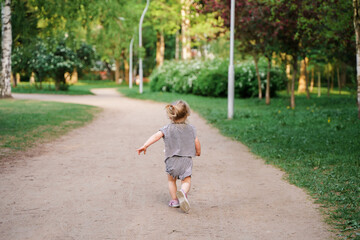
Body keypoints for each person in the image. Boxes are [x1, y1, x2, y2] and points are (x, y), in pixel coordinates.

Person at [136, 100, 201, 213]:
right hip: (186, 160)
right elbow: (196, 141)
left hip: (171, 160)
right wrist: (198, 152)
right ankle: (183, 192)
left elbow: (156, 136)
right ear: (187, 115)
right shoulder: (191, 129)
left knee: (171, 181)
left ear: (171, 116)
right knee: (186, 180)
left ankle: (175, 200)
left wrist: (145, 145)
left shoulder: (166, 129)